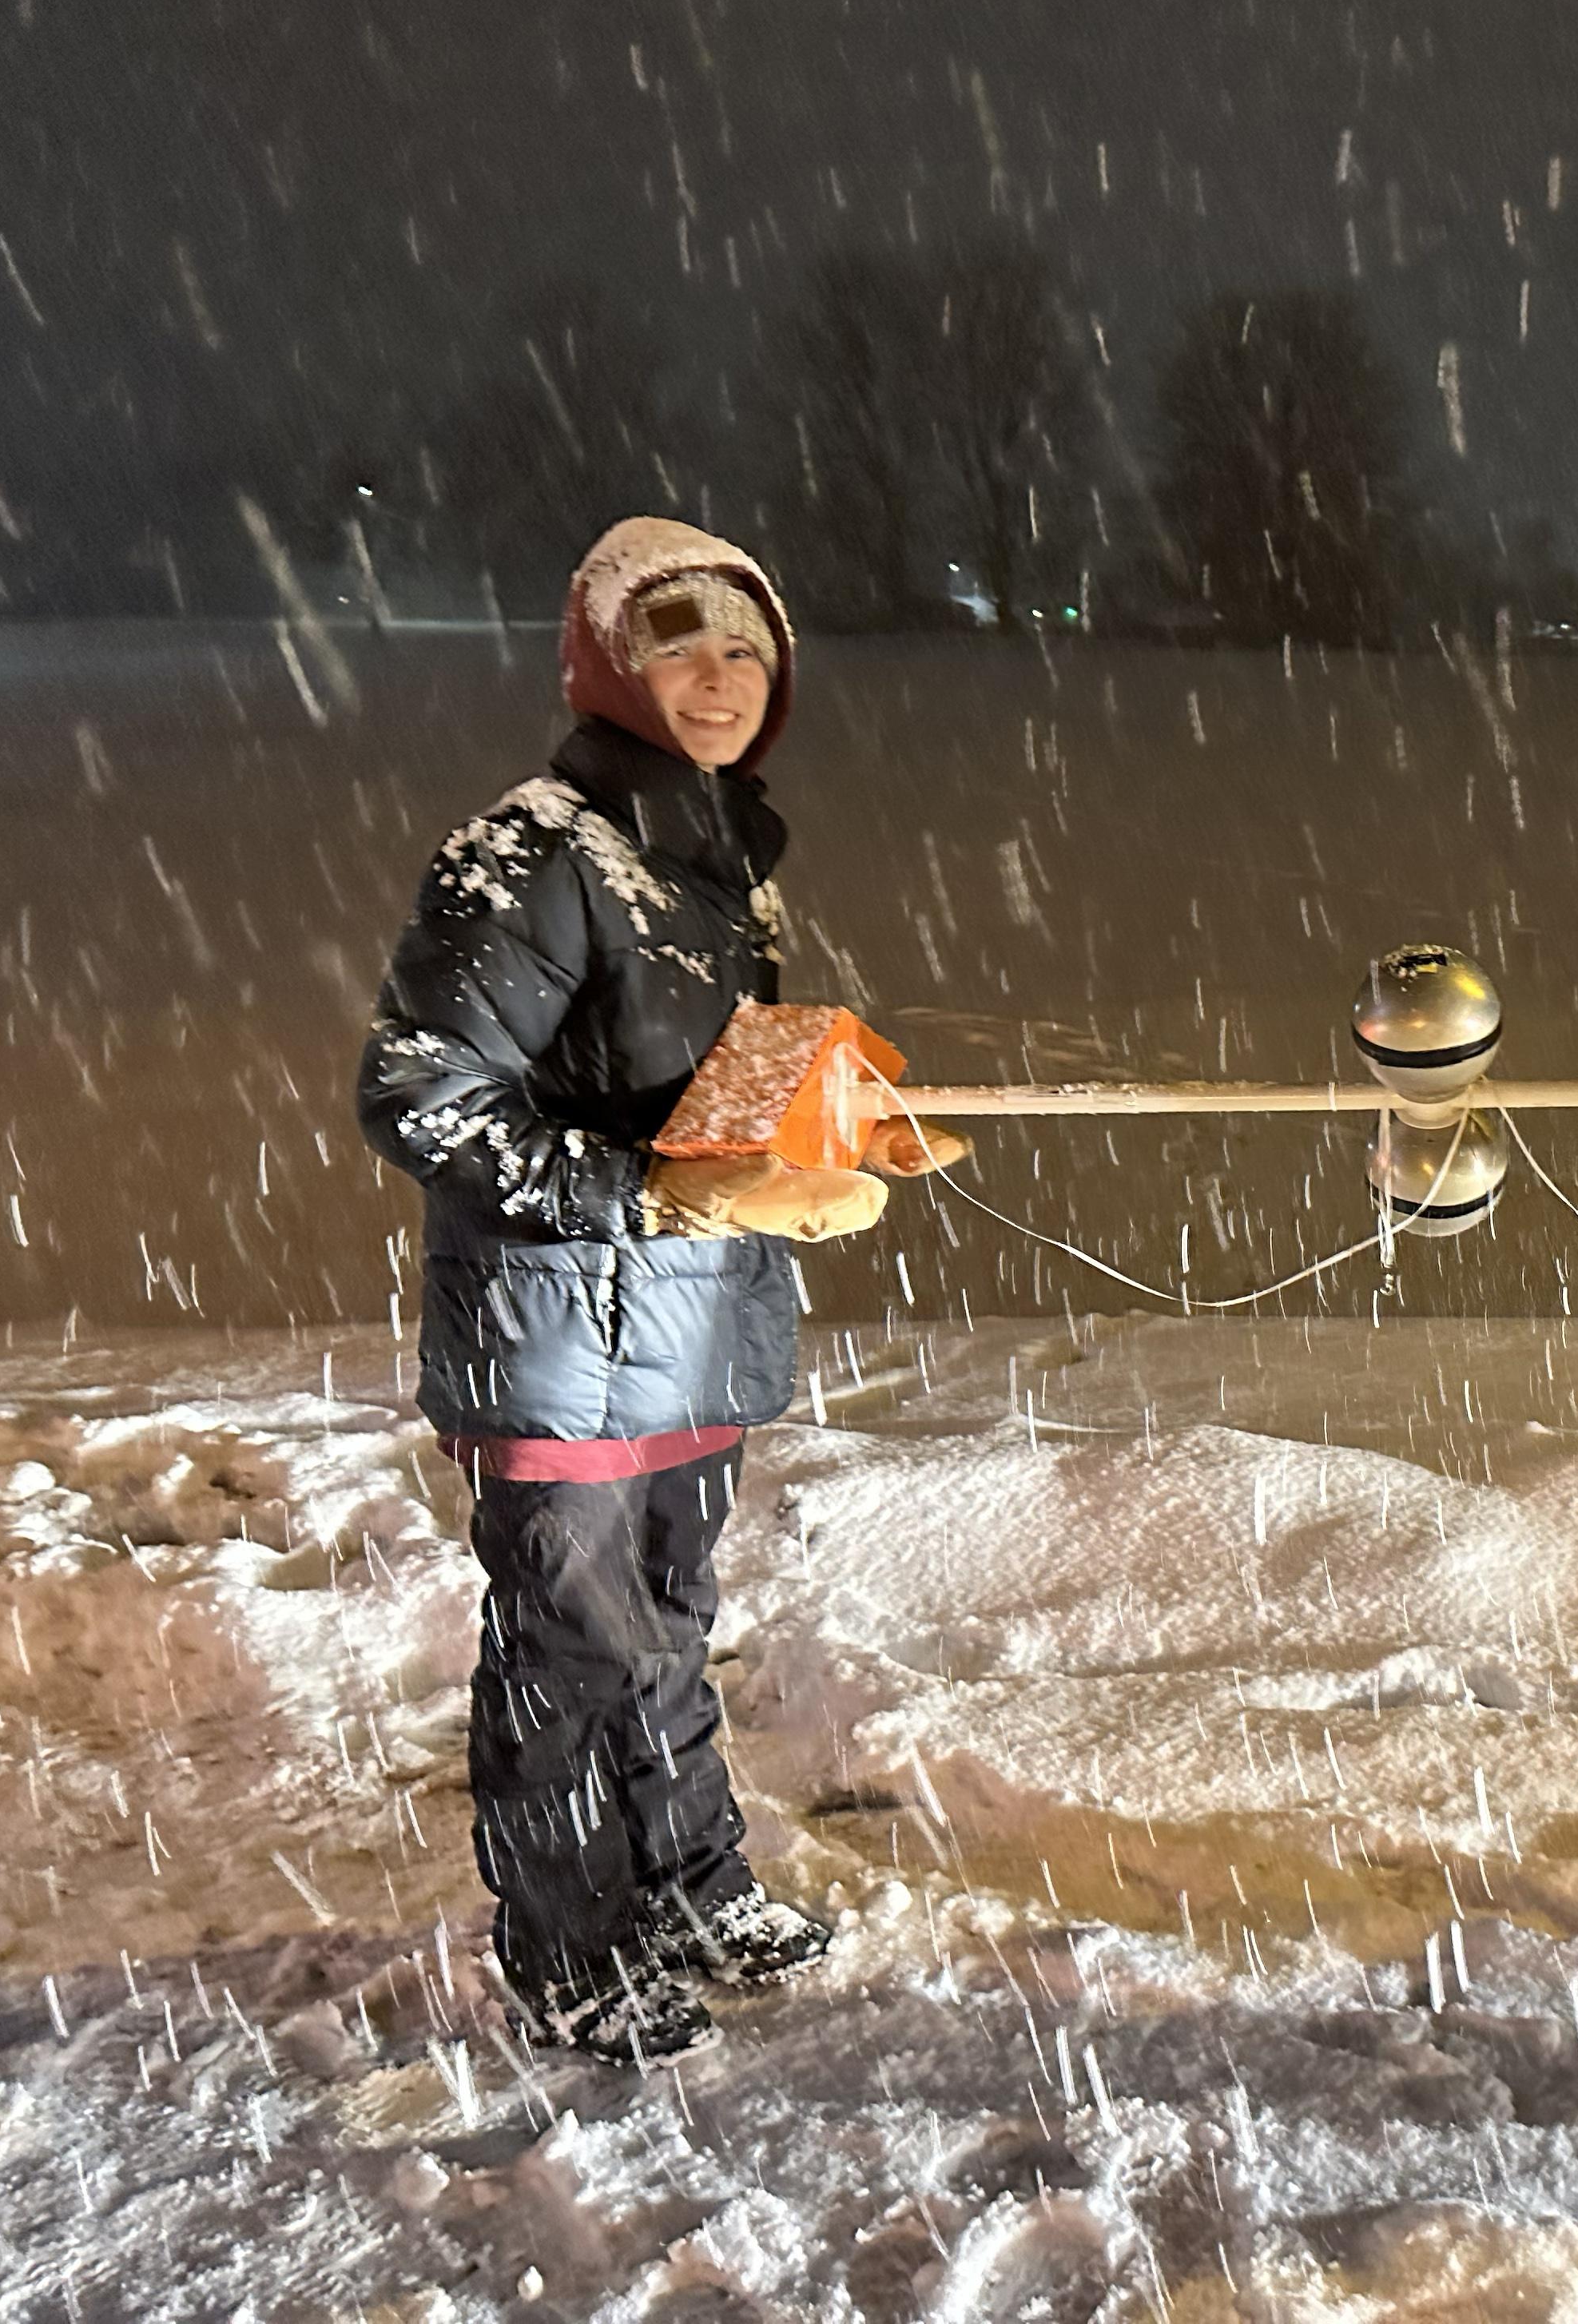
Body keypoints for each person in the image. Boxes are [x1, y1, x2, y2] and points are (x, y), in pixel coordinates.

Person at [357, 517, 960, 2064]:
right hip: (558, 1341)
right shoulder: (538, 851)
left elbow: (701, 1101)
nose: (719, 676)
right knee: (571, 1649)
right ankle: (573, 1947)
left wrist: (828, 1120)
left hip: (693, 1332)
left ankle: (686, 1885)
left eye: (746, 647)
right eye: (678, 642)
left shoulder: (719, 867)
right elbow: (420, 1092)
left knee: (669, 1629)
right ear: (610, 665)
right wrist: (632, 1191)